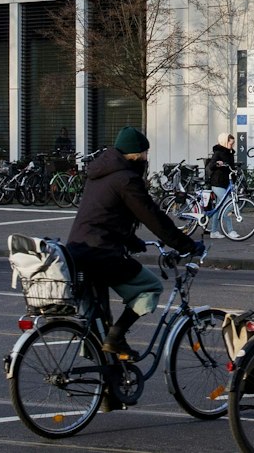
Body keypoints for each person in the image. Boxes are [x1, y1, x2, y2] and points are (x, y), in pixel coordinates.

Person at [66, 126, 203, 363]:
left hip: (79, 251)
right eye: (146, 154)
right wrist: (185, 245)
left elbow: (105, 214)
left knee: (99, 323)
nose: (147, 159)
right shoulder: (126, 178)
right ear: (136, 155)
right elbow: (152, 216)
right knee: (149, 287)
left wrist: (131, 241)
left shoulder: (99, 174)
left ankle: (108, 387)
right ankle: (117, 338)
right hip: (101, 253)